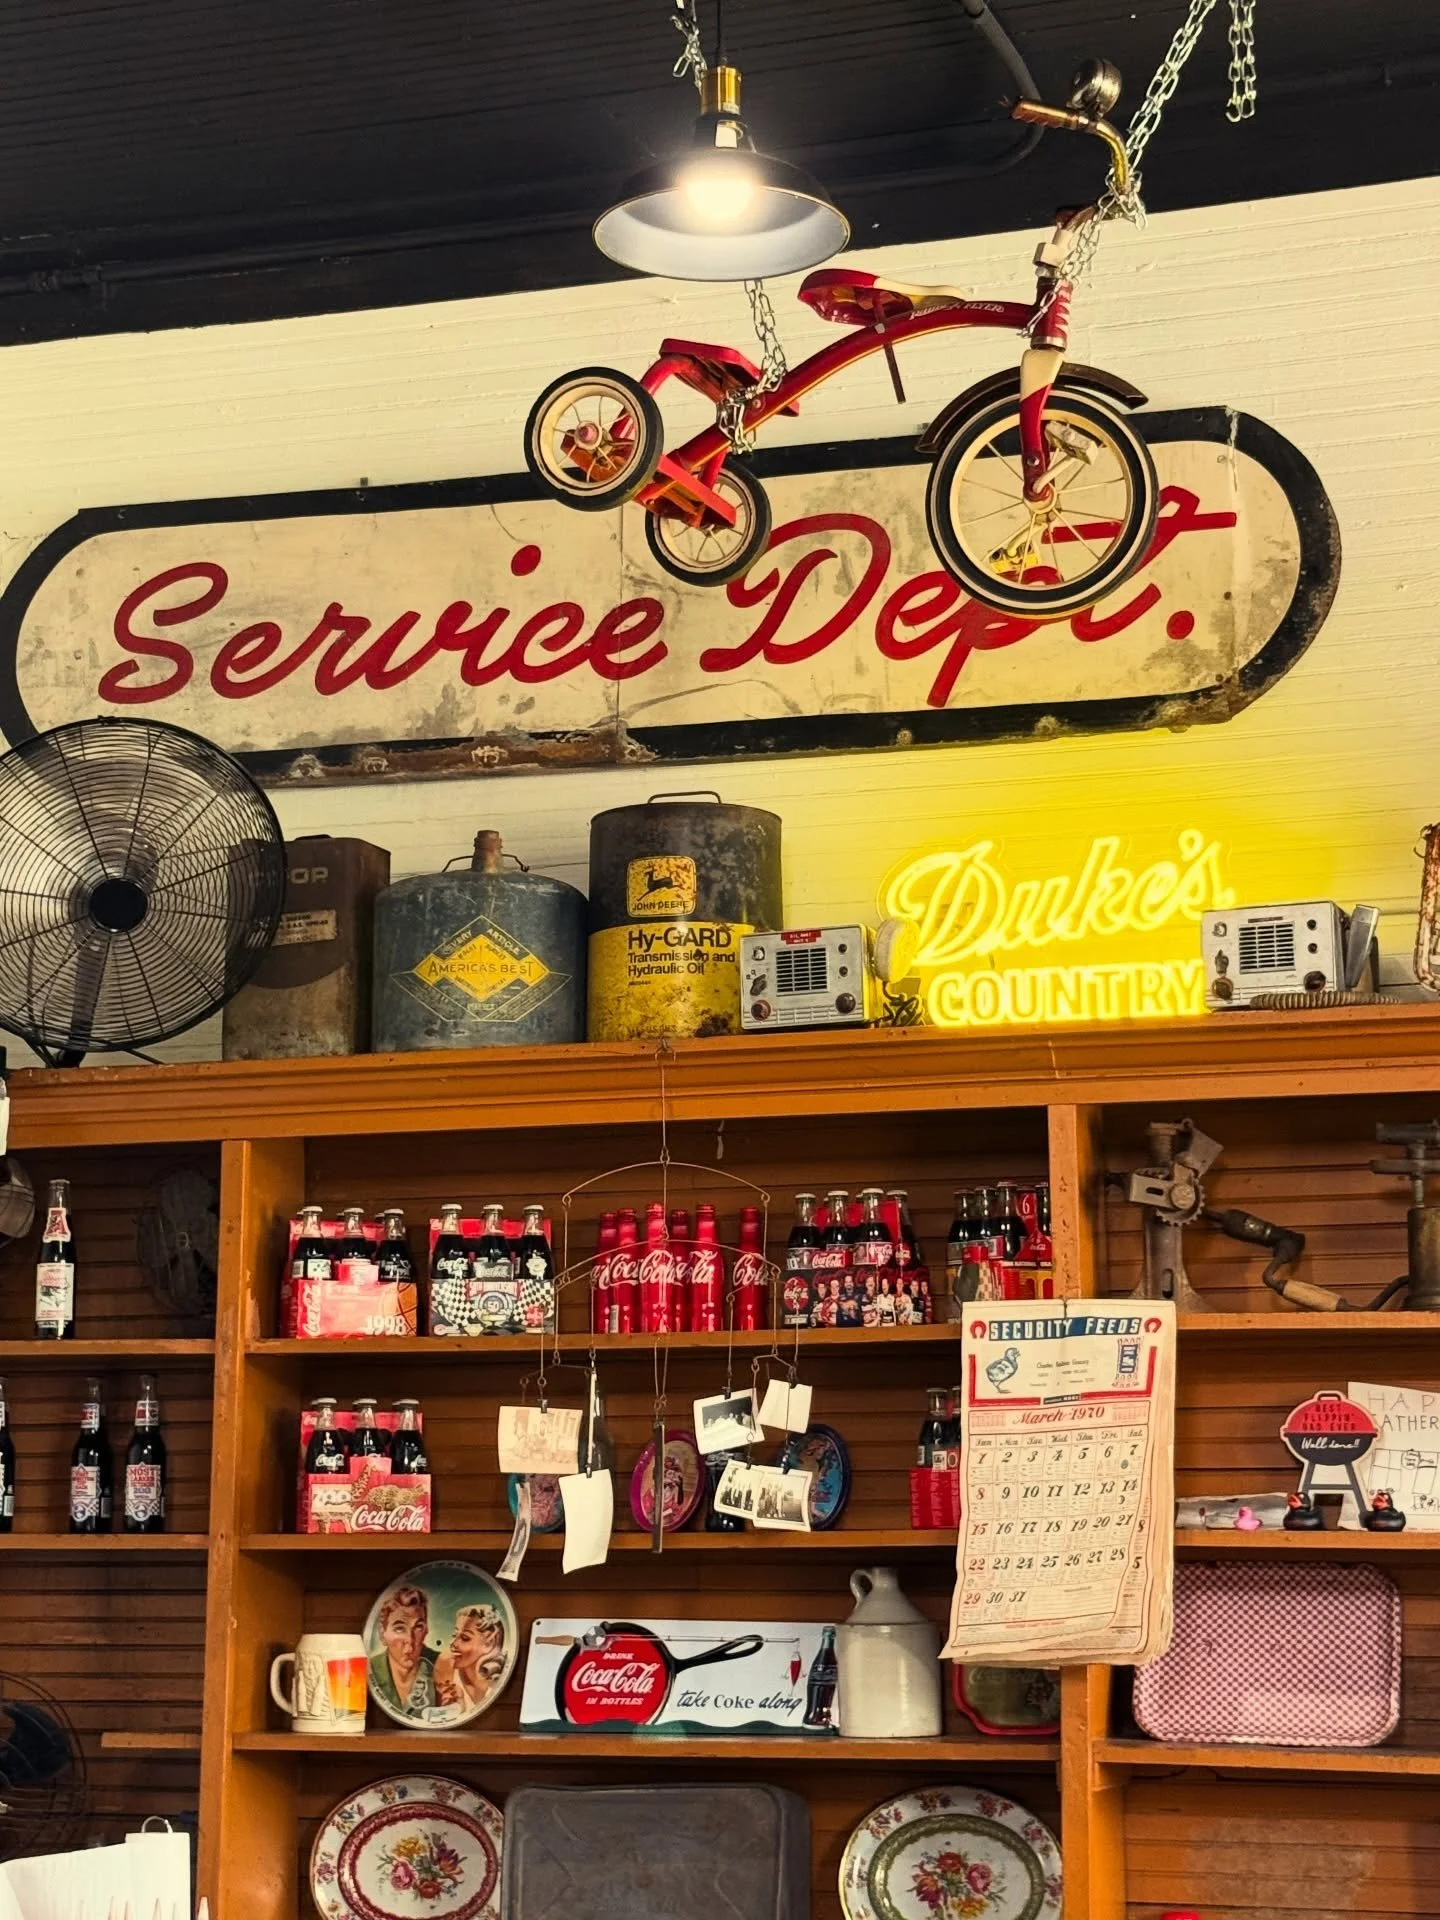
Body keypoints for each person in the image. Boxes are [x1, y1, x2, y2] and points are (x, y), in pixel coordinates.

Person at [369, 1585, 438, 1717]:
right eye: (399, 1628)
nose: (410, 1639)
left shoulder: (441, 1668)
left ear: (426, 1630)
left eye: (418, 1627)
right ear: (382, 1634)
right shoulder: (369, 1670)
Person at [435, 1604, 509, 1713]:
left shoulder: (500, 1678)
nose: (453, 1643)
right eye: (454, 1635)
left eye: (465, 1638)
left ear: (489, 1643)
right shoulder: (446, 1665)